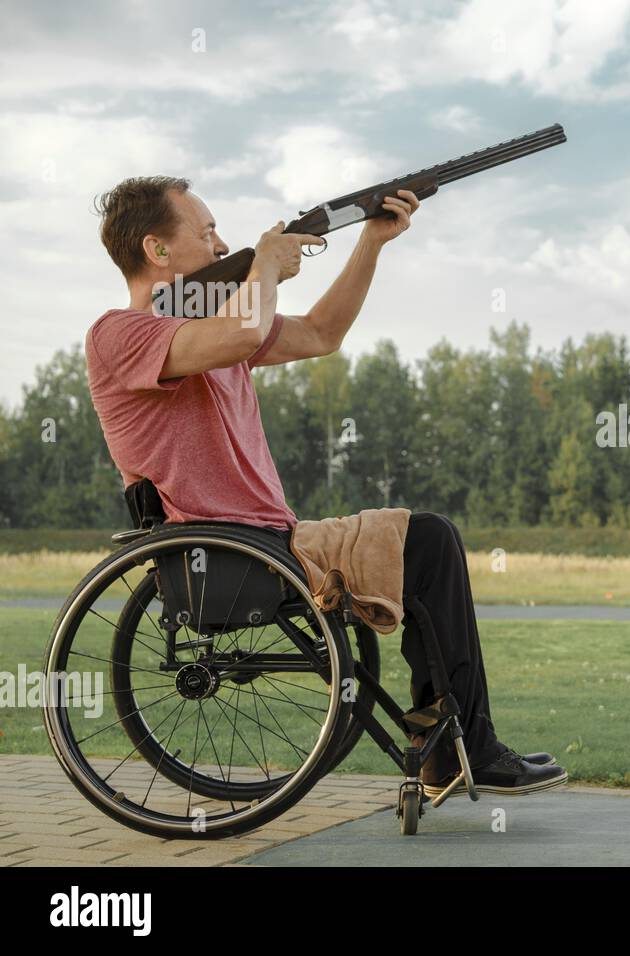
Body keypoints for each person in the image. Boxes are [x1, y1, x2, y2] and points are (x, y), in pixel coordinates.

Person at [84, 175, 565, 797]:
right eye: (206, 234)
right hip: (223, 556)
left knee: (428, 540)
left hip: (272, 543)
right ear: (157, 251)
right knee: (429, 542)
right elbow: (243, 334)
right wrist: (262, 264)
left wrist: (372, 240)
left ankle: (452, 746)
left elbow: (320, 333)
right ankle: (463, 749)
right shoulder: (120, 333)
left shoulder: (217, 324)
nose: (222, 242)